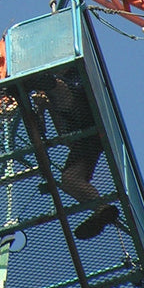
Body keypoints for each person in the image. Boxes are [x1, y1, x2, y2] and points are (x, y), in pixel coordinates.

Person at [31, 70, 119, 240]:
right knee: (70, 180)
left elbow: (69, 94)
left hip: (86, 109)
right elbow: (63, 136)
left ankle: (47, 81)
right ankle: (102, 209)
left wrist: (48, 88)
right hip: (86, 137)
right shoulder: (52, 97)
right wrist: (43, 107)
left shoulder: (72, 73)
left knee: (61, 92)